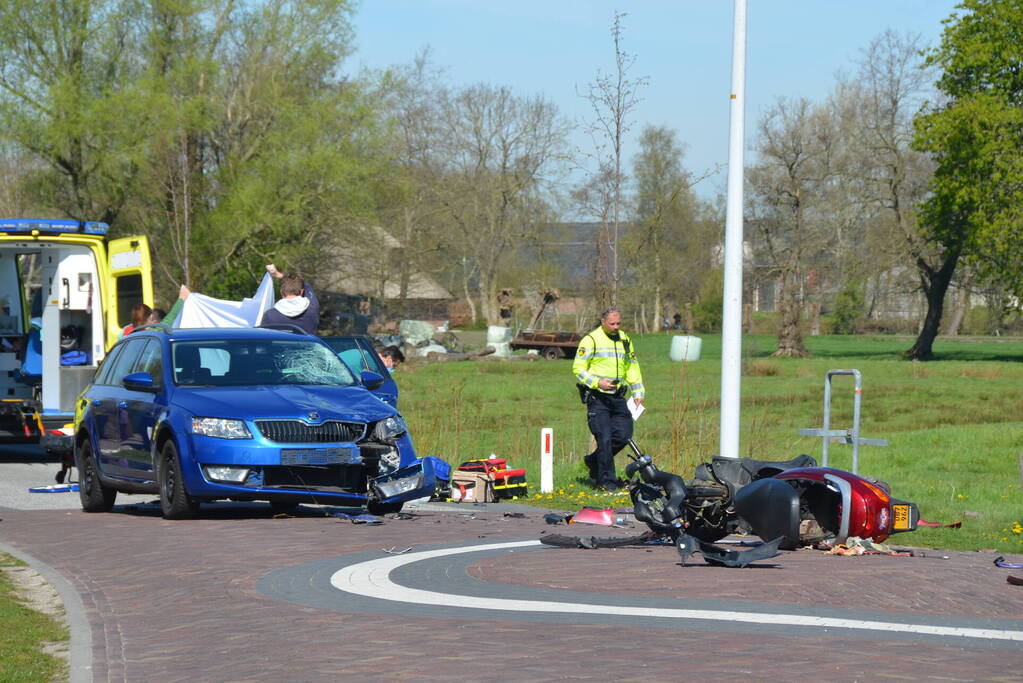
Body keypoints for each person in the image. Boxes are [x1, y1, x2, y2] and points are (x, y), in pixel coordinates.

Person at [571, 307, 645, 492]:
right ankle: (607, 483)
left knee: (624, 435)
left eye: (618, 323)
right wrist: (598, 382)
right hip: (598, 398)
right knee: (604, 439)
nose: (616, 327)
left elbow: (632, 366)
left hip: (618, 398)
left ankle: (593, 461)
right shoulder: (591, 340)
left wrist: (638, 392)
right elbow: (578, 368)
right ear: (602, 321)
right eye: (612, 324)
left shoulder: (624, 339)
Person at [260, 264, 320, 335]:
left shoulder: (269, 315)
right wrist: (279, 275)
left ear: (281, 292)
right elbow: (307, 286)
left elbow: (263, 339)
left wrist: (278, 275)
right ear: (302, 292)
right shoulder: (313, 309)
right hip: (307, 343)